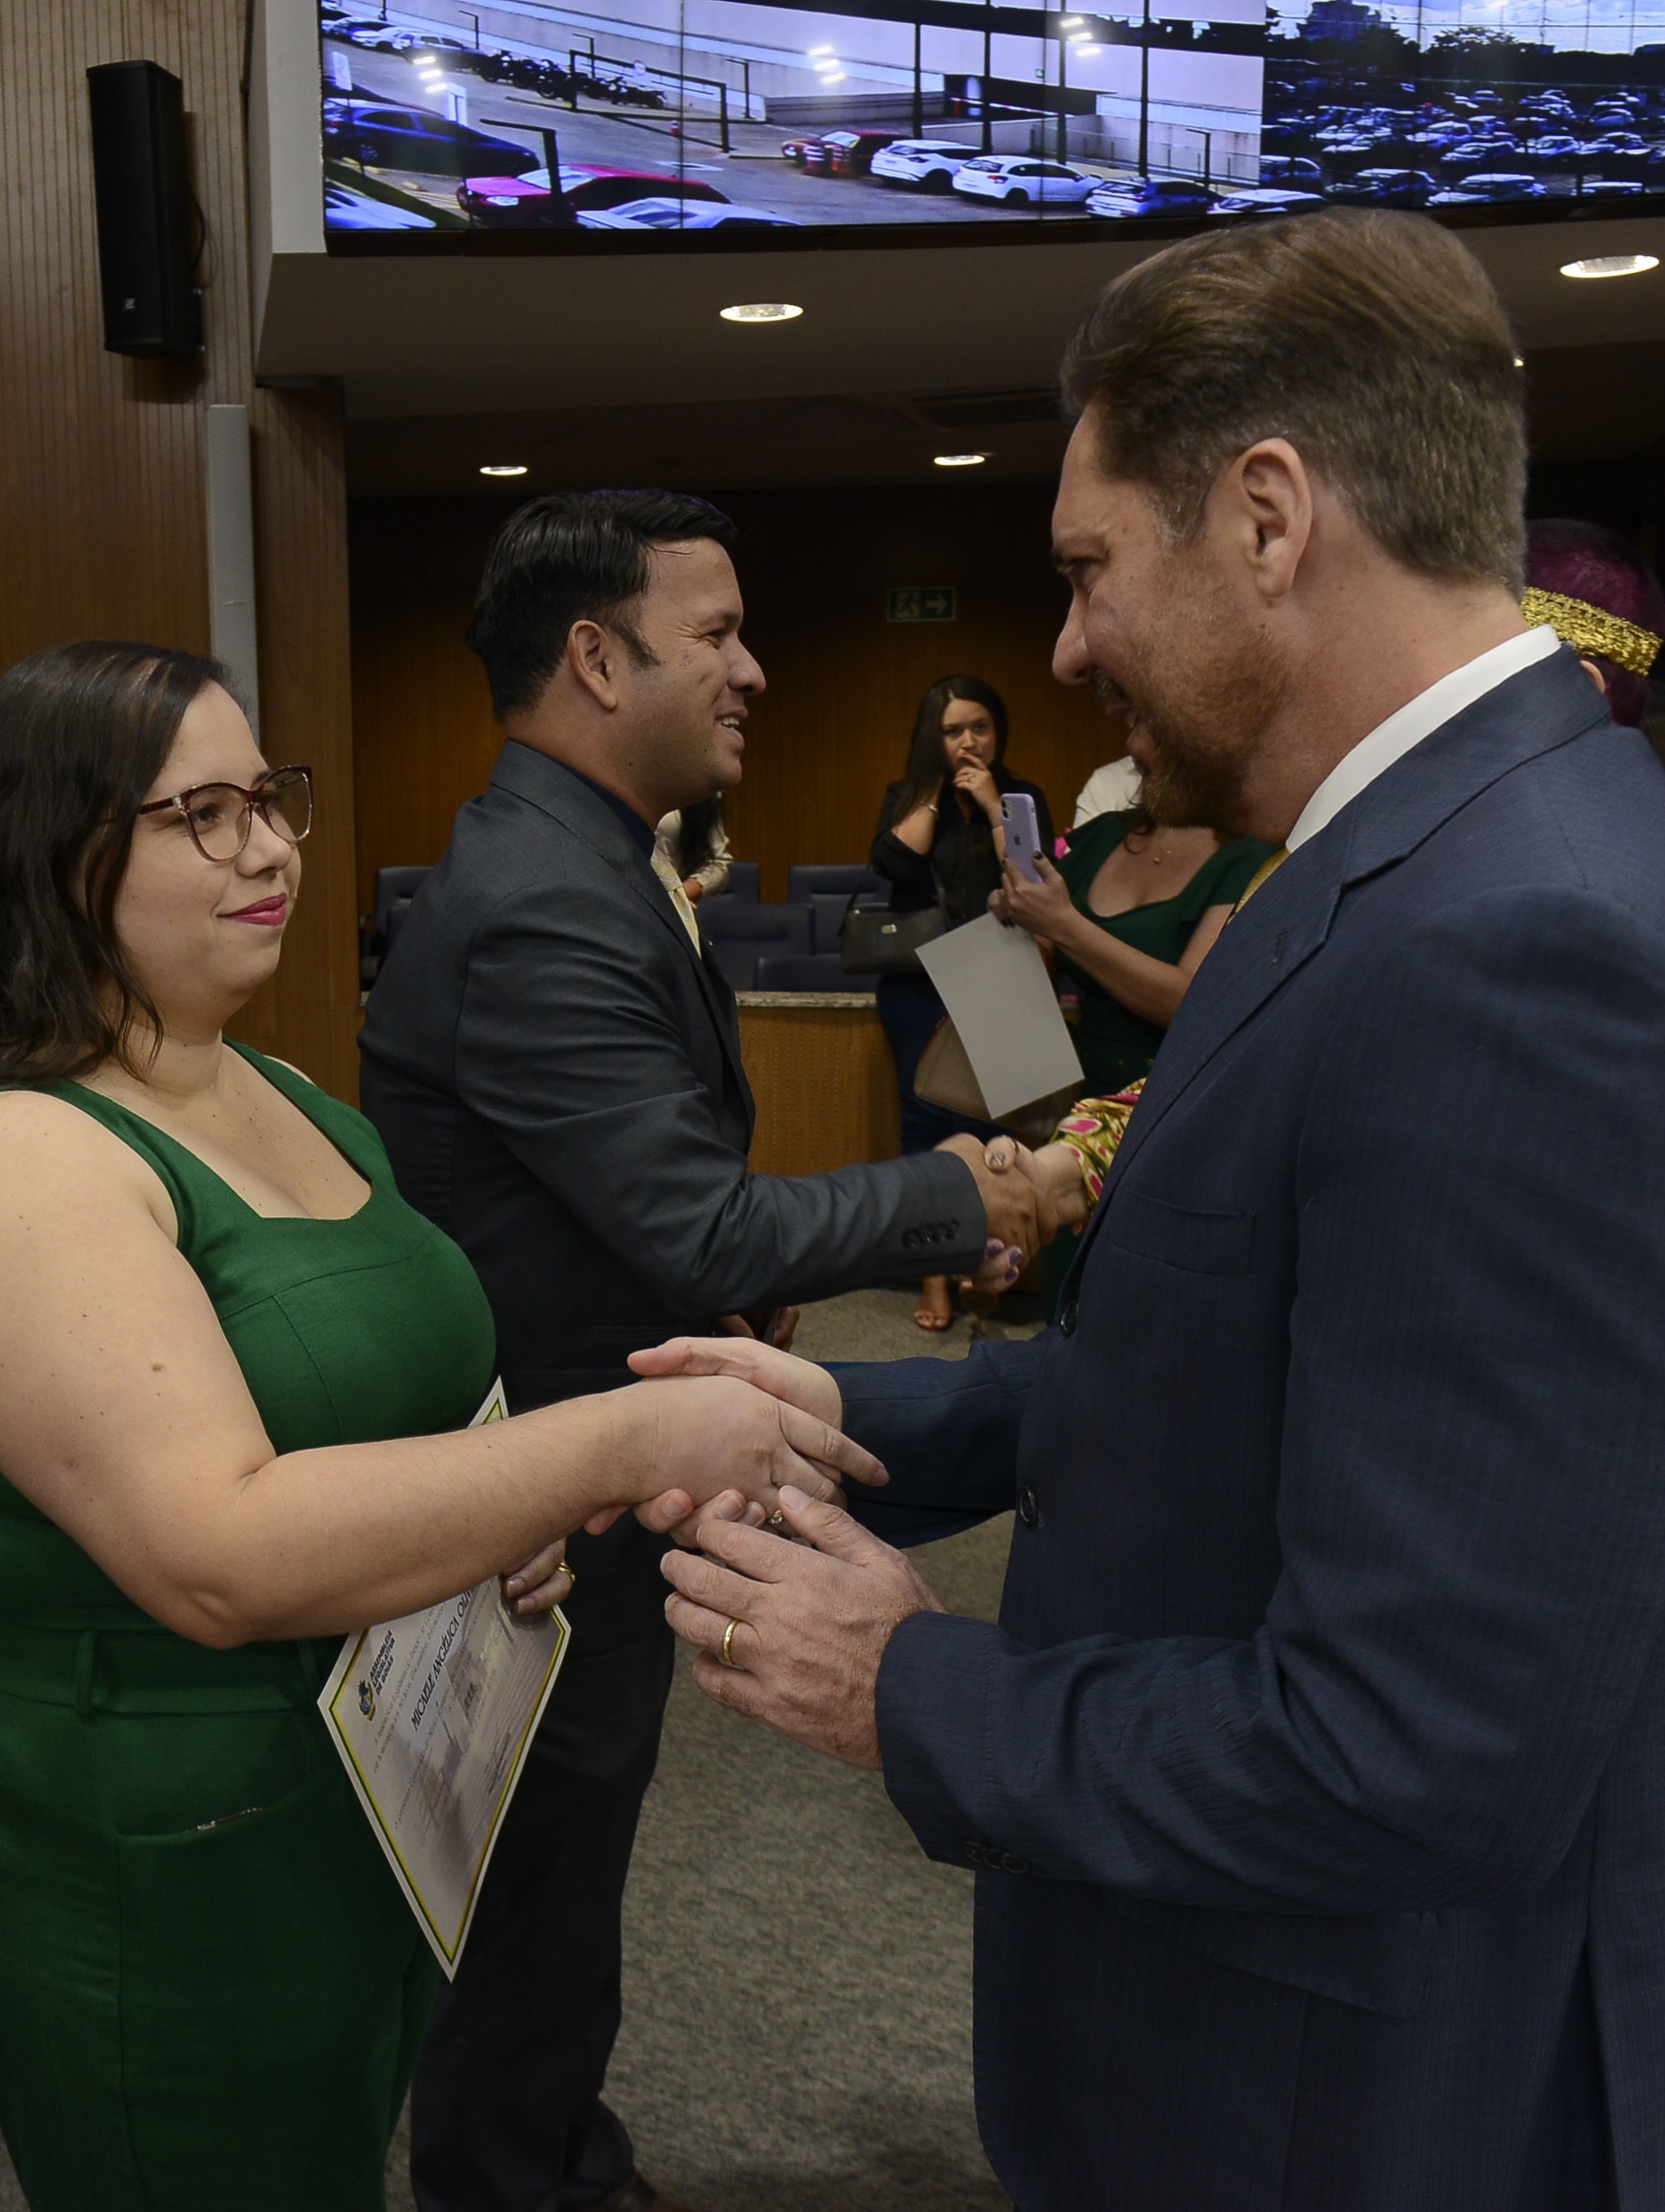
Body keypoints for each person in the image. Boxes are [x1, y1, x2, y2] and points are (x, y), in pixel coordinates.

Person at [636, 210, 1665, 2211]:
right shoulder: (1411, 861)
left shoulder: (1536, 942)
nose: (1068, 647)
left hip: (1345, 2109)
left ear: (1267, 516)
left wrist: (907, 1684)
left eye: (1089, 567)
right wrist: (842, 1416)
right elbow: (1243, 1360)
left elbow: (1417, 1744)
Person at [0, 639, 882, 2211]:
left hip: (365, 1815)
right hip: (176, 1864)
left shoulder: (268, 1087)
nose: (268, 848)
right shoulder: (9, 1158)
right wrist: (612, 1446)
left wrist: (484, 1528)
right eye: (202, 815)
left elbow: (403, 1414)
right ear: (54, 854)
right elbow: (221, 1551)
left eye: (271, 800)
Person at [360, 494, 1045, 2212]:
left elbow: (639, 1194)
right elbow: (699, 1225)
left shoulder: (593, 851)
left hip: (607, 1433)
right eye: (718, 634)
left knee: (570, 1852)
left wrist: (730, 1301)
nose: (754, 671)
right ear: (597, 659)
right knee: (538, 1870)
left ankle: (556, 2153)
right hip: (548, 1479)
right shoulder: (543, 894)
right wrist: (954, 1197)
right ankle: (516, 2180)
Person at [873, 676, 1060, 1328]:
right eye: (952, 731)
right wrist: (933, 792)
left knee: (990, 1129)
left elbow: (1030, 875)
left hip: (997, 974)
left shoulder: (1020, 798)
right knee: (927, 1125)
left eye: (979, 727)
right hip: (918, 982)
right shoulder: (906, 796)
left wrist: (990, 805)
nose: (968, 741)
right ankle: (933, 1279)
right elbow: (895, 866)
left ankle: (990, 1267)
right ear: (933, 737)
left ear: (997, 730)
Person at [988, 799, 1269, 1098]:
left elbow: (1191, 1005)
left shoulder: (1249, 853)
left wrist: (1065, 926)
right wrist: (1017, 919)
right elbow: (1044, 954)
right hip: (1080, 1089)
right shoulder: (1107, 832)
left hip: (1171, 1094)